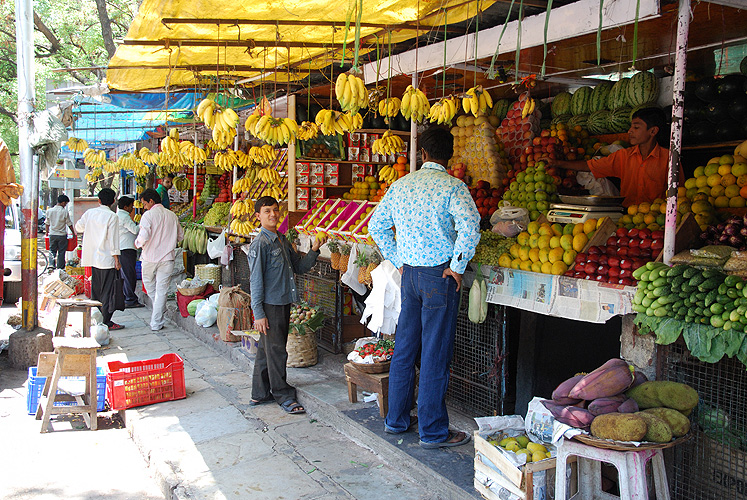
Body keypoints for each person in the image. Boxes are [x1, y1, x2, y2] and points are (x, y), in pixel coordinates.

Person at [368, 127, 481, 449]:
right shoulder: (453, 187)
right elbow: (470, 229)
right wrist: (457, 266)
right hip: (439, 278)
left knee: (405, 349)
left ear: (423, 155)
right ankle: (432, 432)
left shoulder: (401, 185)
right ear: (450, 155)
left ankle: (396, 419)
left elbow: (376, 226)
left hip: (411, 276)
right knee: (434, 353)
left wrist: (399, 259)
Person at [248, 196, 327, 414]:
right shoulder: (260, 244)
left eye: (275, 210)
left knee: (266, 350)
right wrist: (259, 313)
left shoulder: (281, 239)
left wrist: (314, 249)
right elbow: (255, 280)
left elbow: (299, 267)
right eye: (267, 211)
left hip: (282, 301)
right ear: (258, 216)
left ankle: (260, 393)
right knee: (276, 351)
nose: (273, 215)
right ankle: (282, 394)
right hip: (270, 305)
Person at [551, 107, 683, 207]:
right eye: (631, 127)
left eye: (636, 127)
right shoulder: (624, 156)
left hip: (656, 220)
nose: (629, 131)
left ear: (653, 131)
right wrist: (556, 163)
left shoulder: (669, 159)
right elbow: (589, 166)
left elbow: (681, 193)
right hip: (626, 217)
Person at [135, 188, 183, 331]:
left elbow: (143, 236)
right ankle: (157, 320)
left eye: (144, 204)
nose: (144, 207)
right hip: (167, 258)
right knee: (161, 290)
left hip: (150, 257)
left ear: (151, 201)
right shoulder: (172, 215)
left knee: (150, 286)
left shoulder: (148, 216)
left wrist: (138, 243)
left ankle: (157, 318)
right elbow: (181, 236)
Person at [75, 188, 123, 330]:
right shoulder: (112, 217)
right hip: (106, 259)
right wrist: (117, 260)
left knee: (96, 291)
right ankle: (106, 321)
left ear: (99, 200)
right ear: (113, 201)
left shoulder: (90, 213)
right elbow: (113, 241)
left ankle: (96, 318)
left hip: (92, 259)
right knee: (107, 292)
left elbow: (78, 227)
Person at [117, 196, 143, 308]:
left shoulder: (119, 215)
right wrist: (143, 224)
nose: (132, 208)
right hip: (126, 249)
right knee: (129, 275)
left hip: (122, 248)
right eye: (131, 206)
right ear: (125, 207)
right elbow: (134, 230)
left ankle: (126, 297)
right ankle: (130, 299)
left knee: (126, 274)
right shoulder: (124, 217)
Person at [45, 194, 75, 269]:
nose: (65, 205)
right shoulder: (64, 212)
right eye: (65, 203)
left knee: (52, 251)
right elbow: (69, 223)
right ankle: (60, 268)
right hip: (62, 235)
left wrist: (46, 232)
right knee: (61, 252)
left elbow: (47, 223)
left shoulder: (49, 211)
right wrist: (73, 233)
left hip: (52, 234)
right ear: (63, 203)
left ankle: (51, 265)